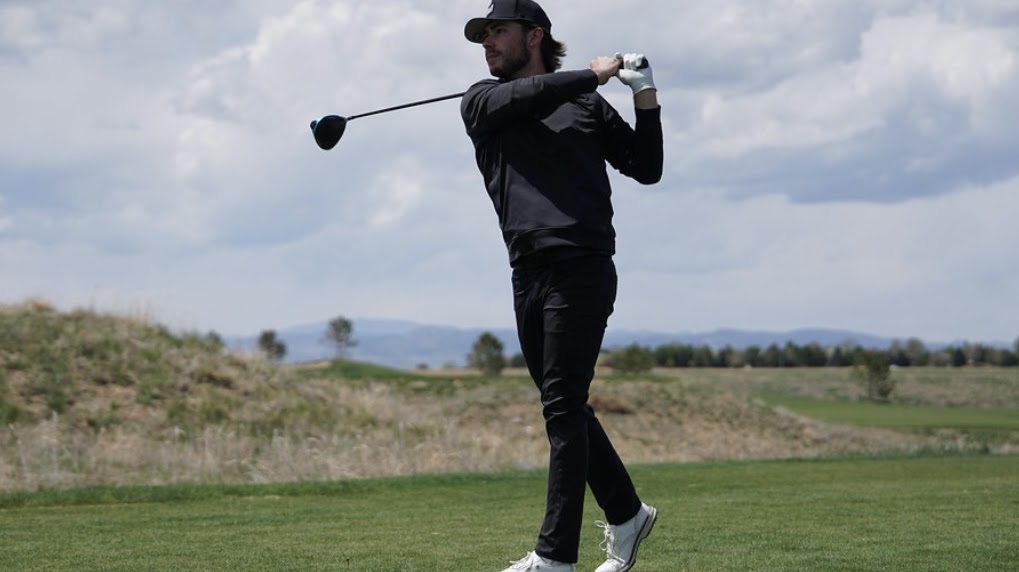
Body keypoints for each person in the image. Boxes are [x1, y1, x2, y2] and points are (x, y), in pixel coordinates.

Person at [459, 1, 664, 571]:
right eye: (484, 35)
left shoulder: (586, 105)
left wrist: (643, 94)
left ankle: (554, 559)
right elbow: (531, 95)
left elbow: (646, 166)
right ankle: (627, 515)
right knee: (564, 406)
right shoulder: (482, 101)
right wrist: (590, 75)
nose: (487, 42)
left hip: (582, 266)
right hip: (527, 274)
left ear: (534, 35)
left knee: (563, 406)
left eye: (498, 31)